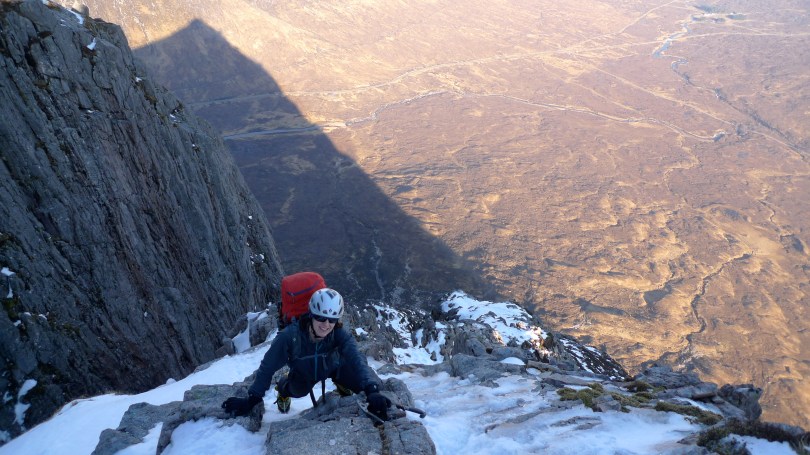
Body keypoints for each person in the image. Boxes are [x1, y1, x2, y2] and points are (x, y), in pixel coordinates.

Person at [221, 288, 391, 420]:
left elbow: (356, 358)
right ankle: (283, 389)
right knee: (297, 390)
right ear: (311, 315)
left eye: (332, 320)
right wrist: (252, 399)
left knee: (360, 381)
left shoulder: (338, 334)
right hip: (304, 373)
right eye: (321, 318)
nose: (326, 324)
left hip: (333, 368)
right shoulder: (290, 337)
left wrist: (371, 389)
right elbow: (268, 366)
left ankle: (342, 384)